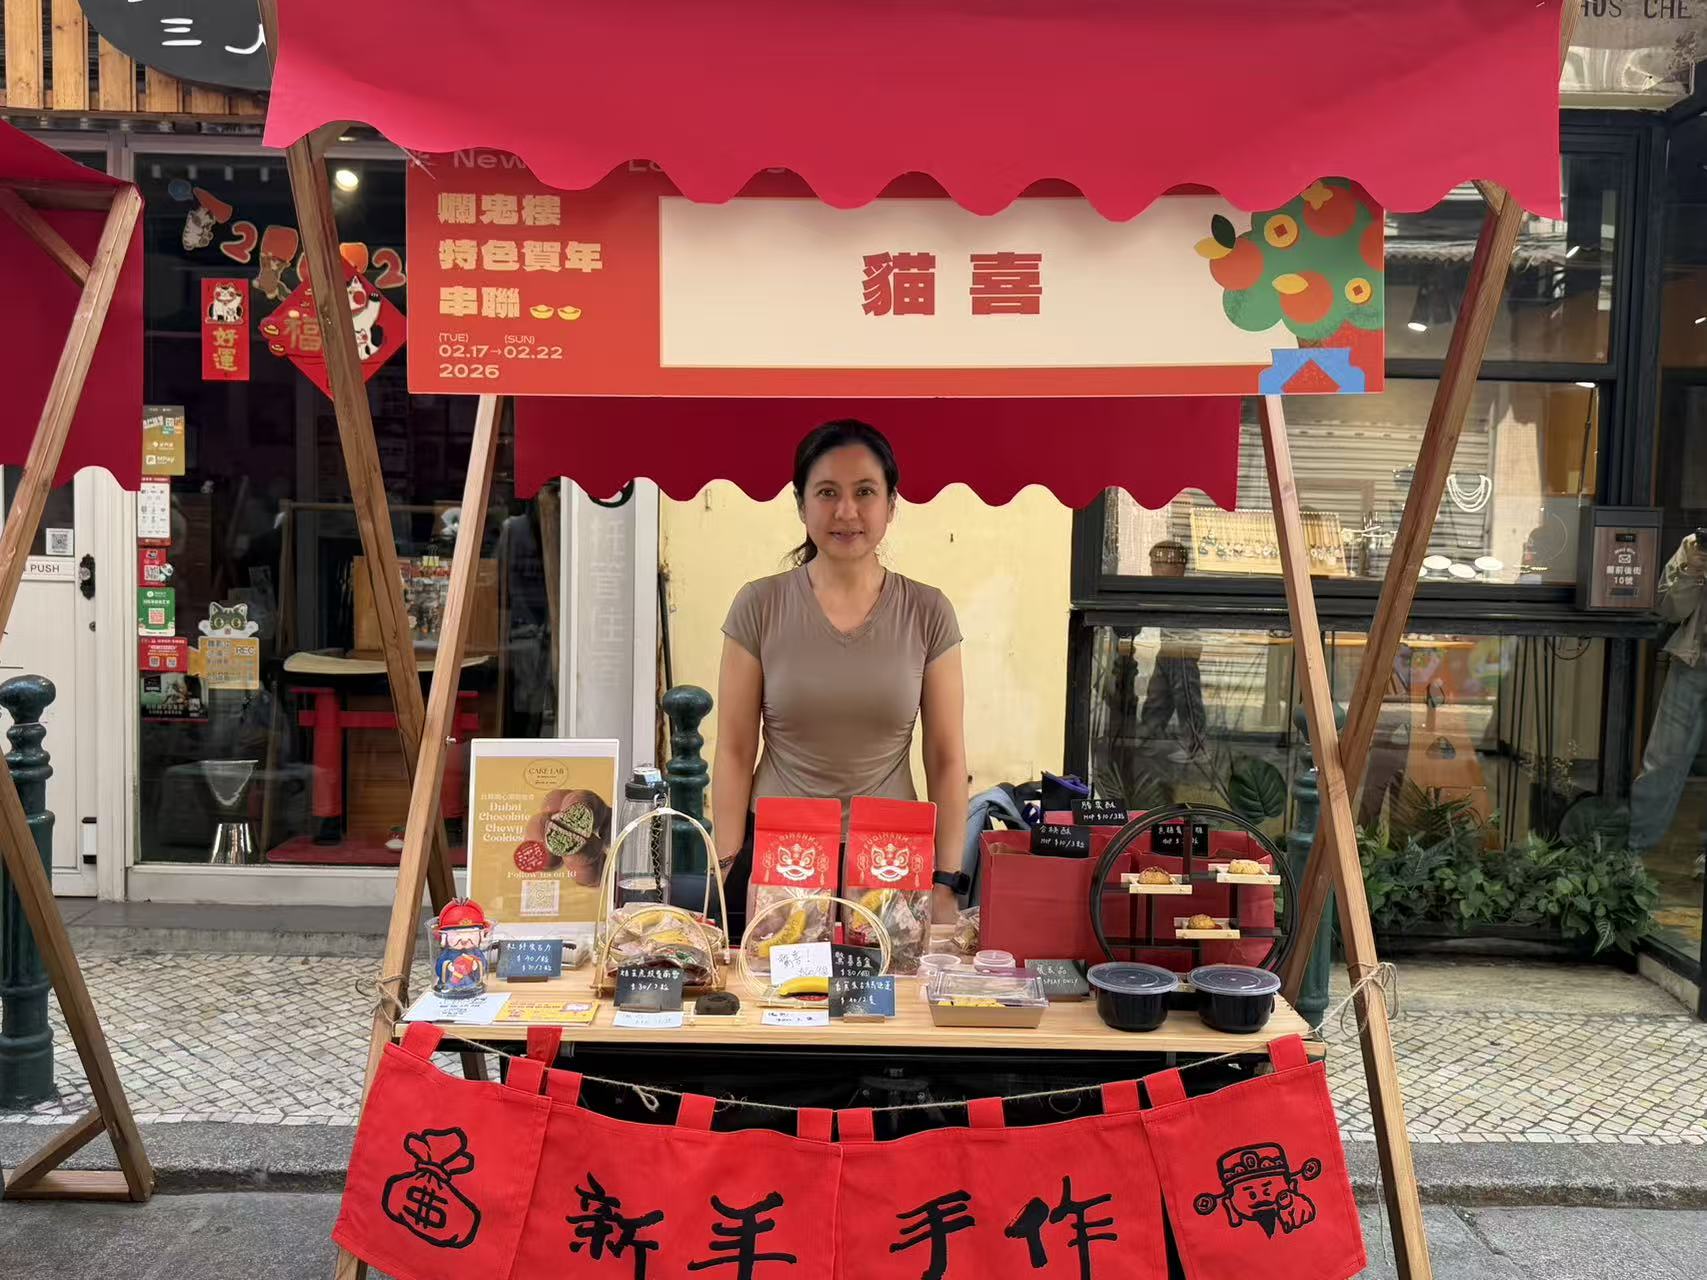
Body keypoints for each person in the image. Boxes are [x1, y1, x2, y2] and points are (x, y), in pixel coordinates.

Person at [713, 420, 970, 941]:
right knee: (777, 985)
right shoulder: (759, 605)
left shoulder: (928, 612)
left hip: (890, 857)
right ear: (801, 504)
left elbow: (946, 756)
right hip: (781, 854)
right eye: (827, 492)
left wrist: (945, 880)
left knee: (884, 986)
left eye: (865, 492)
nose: (846, 511)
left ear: (891, 505)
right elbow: (735, 749)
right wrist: (727, 865)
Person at [1630, 532, 1707, 876]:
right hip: (1694, 663)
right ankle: (1634, 849)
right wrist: (1691, 572)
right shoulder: (1694, 545)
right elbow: (1668, 609)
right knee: (1663, 759)